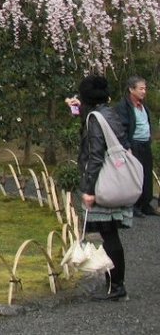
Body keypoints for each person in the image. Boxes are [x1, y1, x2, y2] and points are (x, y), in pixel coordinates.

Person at [76, 73, 132, 300]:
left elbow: (95, 155)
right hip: (118, 180)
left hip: (104, 182)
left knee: (109, 235)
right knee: (111, 234)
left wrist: (89, 190)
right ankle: (114, 284)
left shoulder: (95, 118)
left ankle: (116, 286)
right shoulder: (112, 114)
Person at [116, 75, 155, 216]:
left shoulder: (143, 106)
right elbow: (121, 129)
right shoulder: (123, 107)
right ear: (132, 90)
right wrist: (127, 147)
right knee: (135, 175)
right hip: (134, 144)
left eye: (145, 89)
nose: (144, 91)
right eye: (141, 89)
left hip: (145, 144)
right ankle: (134, 205)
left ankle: (146, 204)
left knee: (147, 174)